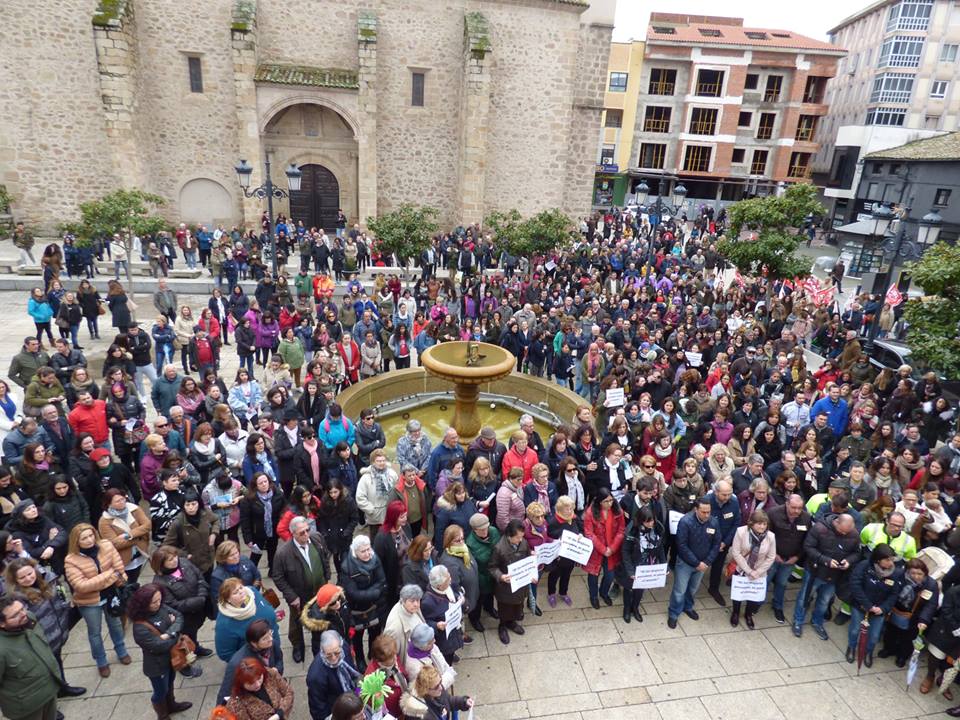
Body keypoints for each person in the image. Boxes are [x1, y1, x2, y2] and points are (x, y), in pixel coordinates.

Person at [3, 557, 86, 698]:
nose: (28, 579)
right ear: (15, 580)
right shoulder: (17, 597)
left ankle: (62, 688)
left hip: (56, 632)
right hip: (41, 639)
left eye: (29, 573)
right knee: (46, 671)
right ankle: (51, 703)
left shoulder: (47, 580)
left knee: (57, 662)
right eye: (22, 577)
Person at [62, 523, 131, 678]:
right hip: (89, 602)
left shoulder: (106, 545)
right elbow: (81, 586)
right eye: (84, 538)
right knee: (95, 632)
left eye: (91, 535)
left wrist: (112, 577)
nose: (89, 540)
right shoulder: (71, 560)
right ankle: (101, 661)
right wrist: (109, 575)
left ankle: (121, 650)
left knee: (116, 625)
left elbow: (120, 570)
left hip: (111, 595)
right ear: (76, 541)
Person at [792, 513, 861, 641]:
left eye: (848, 531)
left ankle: (817, 622)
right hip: (815, 571)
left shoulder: (854, 534)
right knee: (804, 597)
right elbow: (808, 547)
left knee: (824, 601)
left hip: (835, 575)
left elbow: (856, 553)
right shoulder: (819, 528)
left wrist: (848, 561)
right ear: (837, 523)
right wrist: (825, 560)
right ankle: (798, 621)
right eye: (842, 531)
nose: (845, 534)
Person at [272, 515, 331, 664]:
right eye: (301, 533)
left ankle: (318, 641)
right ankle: (298, 646)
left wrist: (327, 577)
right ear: (293, 534)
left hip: (319, 593)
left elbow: (325, 558)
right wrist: (292, 596)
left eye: (307, 530)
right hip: (299, 596)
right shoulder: (283, 553)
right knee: (297, 623)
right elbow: (278, 577)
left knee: (319, 619)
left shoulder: (317, 539)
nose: (306, 535)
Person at [0, 595, 63, 720]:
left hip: (50, 690)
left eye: (22, 609)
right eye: (15, 615)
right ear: (1, 623)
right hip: (27, 706)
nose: (24, 614)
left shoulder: (29, 619)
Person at [668, 497, 720, 629]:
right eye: (703, 512)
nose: (707, 515)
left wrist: (707, 562)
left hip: (703, 564)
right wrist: (697, 563)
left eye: (708, 512)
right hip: (685, 564)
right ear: (696, 510)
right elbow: (681, 545)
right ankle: (674, 613)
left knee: (692, 589)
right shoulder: (685, 521)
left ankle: (688, 607)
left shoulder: (713, 522)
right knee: (679, 590)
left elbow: (716, 544)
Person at [879, 558, 938, 667]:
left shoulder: (930, 584)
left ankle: (902, 656)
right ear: (907, 572)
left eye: (920, 573)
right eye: (913, 573)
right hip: (896, 610)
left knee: (908, 638)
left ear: (925, 572)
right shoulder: (899, 575)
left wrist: (923, 620)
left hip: (914, 615)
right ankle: (888, 649)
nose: (916, 576)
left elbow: (931, 605)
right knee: (891, 632)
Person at [214, 577, 282, 663]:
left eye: (241, 587)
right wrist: (249, 664)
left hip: (274, 647)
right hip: (255, 662)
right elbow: (225, 653)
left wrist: (273, 618)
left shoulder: (252, 592)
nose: (241, 592)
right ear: (228, 599)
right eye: (235, 592)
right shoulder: (225, 623)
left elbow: (266, 606)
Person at [766, 494, 811, 624]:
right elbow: (766, 535)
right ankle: (756, 603)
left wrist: (797, 557)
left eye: (799, 508)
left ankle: (777, 606)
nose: (796, 511)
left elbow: (807, 541)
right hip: (772, 557)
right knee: (766, 580)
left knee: (782, 583)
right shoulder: (773, 513)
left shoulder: (806, 518)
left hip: (790, 559)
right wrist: (773, 554)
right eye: (793, 507)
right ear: (786, 504)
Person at [728, 509, 776, 628]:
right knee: (739, 593)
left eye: (764, 524)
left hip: (759, 572)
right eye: (759, 523)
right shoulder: (741, 532)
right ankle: (735, 612)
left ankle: (748, 615)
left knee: (753, 595)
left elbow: (771, 557)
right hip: (742, 569)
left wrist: (758, 572)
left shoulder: (770, 536)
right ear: (752, 523)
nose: (762, 527)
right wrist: (749, 571)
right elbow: (736, 552)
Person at [618, 504, 666, 624]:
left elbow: (660, 548)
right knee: (629, 589)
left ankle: (635, 608)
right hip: (634, 564)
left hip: (648, 565)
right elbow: (625, 552)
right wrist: (630, 571)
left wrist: (664, 564)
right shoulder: (632, 531)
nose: (651, 524)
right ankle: (627, 609)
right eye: (647, 522)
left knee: (640, 589)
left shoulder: (657, 528)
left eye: (652, 521)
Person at [488, 518, 532, 645]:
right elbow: (492, 567)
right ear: (509, 536)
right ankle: (502, 626)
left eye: (521, 537)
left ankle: (512, 622)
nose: (520, 540)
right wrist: (500, 576)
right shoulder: (499, 548)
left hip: (520, 585)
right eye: (517, 538)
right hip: (505, 588)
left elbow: (528, 559)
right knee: (504, 609)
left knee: (517, 606)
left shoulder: (523, 543)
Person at [97, 487, 151, 584]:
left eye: (123, 499)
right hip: (124, 559)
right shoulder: (104, 521)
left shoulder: (134, 509)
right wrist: (138, 536)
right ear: (109, 504)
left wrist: (129, 535)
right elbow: (114, 543)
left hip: (141, 552)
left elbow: (147, 525)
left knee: (137, 577)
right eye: (117, 501)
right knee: (128, 582)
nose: (122, 502)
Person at [583, 487, 625, 609]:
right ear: (599, 502)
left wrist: (612, 548)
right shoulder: (590, 513)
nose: (609, 504)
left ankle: (603, 592)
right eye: (606, 501)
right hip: (597, 550)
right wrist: (603, 549)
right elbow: (589, 534)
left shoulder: (617, 510)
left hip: (612, 549)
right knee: (593, 575)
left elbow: (621, 530)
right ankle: (593, 596)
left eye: (611, 500)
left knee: (610, 575)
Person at [306, 630, 362, 720]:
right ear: (322, 651)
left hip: (351, 700)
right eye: (328, 655)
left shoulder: (345, 648)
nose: (334, 658)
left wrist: (358, 693)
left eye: (336, 653)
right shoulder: (315, 676)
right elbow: (318, 708)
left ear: (341, 644)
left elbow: (354, 674)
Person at [239, 472, 286, 573]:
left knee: (272, 551)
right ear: (256, 485)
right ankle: (250, 574)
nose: (264, 484)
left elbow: (284, 509)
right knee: (256, 555)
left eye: (265, 482)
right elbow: (245, 520)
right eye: (260, 483)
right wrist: (248, 539)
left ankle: (273, 570)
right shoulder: (249, 499)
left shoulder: (277, 494)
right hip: (257, 532)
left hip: (273, 530)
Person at [224, 656, 295, 720]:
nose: (257, 684)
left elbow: (289, 692)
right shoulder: (236, 703)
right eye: (251, 683)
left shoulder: (269, 673)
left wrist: (280, 713)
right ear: (241, 683)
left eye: (259, 678)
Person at [402, 664, 474, 720]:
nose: (440, 687)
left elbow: (448, 700)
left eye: (440, 681)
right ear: (425, 689)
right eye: (436, 687)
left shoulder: (436, 690)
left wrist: (464, 702)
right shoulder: (417, 713)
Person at [210, 540, 262, 604]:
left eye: (236, 552)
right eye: (231, 555)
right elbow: (219, 599)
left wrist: (251, 593)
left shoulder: (244, 559)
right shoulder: (217, 576)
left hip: (253, 599)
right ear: (223, 558)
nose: (236, 556)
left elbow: (257, 576)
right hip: (235, 608)